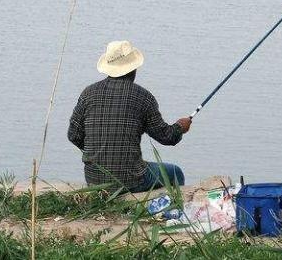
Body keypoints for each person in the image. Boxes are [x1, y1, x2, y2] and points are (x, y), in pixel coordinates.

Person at [68, 40, 192, 193]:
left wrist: (97, 152)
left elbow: (73, 135)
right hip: (132, 180)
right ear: (133, 68)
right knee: (175, 172)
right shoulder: (143, 97)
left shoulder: (88, 94)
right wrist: (180, 126)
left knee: (141, 165)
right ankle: (174, 209)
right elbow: (167, 137)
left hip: (94, 180)